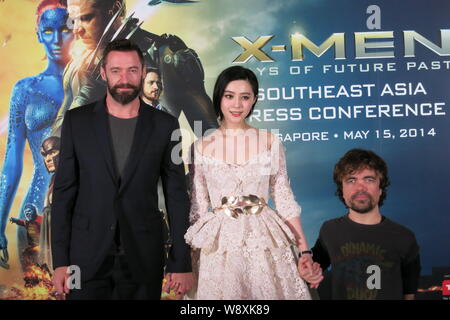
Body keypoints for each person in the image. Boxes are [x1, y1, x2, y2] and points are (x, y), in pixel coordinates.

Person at [51, 39, 193, 300]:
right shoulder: (76, 121)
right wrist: (60, 261)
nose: (124, 78)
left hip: (144, 256)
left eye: (132, 70)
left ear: (142, 72)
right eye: (116, 70)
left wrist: (180, 261)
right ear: (104, 73)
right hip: (84, 258)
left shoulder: (166, 125)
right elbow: (63, 195)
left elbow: (176, 196)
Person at [184, 66, 320, 299]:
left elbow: (284, 199)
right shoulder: (200, 147)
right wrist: (188, 262)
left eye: (245, 97)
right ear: (219, 97)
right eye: (229, 96)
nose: (237, 105)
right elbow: (197, 209)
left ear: (254, 100)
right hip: (220, 247)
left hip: (264, 240)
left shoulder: (269, 142)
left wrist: (304, 250)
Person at [52, 0, 217, 137]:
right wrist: (85, 99)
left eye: (86, 18)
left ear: (114, 9)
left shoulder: (164, 56)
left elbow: (211, 137)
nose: (77, 30)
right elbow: (56, 143)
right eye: (73, 21)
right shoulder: (76, 68)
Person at [0, 0, 73, 270]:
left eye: (65, 28)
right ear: (38, 32)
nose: (56, 39)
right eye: (48, 30)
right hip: (34, 214)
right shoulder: (25, 90)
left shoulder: (97, 81)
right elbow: (12, 160)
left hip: (88, 215)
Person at [311, 149, 421, 300]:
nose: (360, 187)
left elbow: (409, 293)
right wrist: (307, 268)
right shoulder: (329, 230)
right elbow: (311, 270)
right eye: (351, 180)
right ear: (342, 190)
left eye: (369, 179)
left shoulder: (404, 237)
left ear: (380, 188)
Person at [38, 136, 61, 272]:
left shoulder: (69, 177)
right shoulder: (54, 179)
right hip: (50, 234)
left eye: (52, 152)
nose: (48, 159)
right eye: (46, 154)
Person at [9, 204, 43, 268]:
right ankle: (36, 268)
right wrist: (15, 220)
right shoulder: (27, 222)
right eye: (26, 212)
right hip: (34, 246)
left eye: (29, 211)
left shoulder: (41, 220)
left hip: (42, 246)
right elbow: (22, 222)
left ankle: (39, 268)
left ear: (34, 211)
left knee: (30, 254)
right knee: (26, 254)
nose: (27, 214)